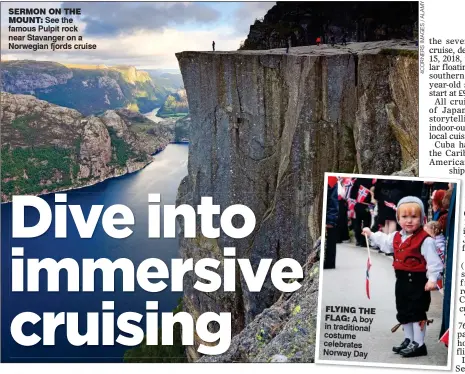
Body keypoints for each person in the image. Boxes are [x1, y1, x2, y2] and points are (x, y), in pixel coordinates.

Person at [362, 197, 443, 358]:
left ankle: (419, 344)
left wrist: (432, 279)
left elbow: (434, 261)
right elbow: (384, 242)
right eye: (404, 217)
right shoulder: (396, 236)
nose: (409, 221)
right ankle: (408, 339)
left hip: (418, 281)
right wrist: (371, 234)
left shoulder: (425, 240)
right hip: (401, 280)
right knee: (404, 311)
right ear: (398, 219)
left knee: (417, 312)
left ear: (421, 219)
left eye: (414, 217)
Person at [324, 176, 339, 269]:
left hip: (328, 215)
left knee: (330, 240)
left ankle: (329, 263)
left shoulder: (331, 178)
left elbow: (333, 199)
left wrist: (330, 220)